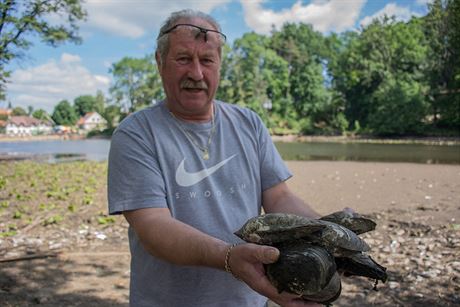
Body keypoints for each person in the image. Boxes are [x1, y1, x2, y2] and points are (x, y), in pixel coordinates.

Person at [108, 9, 322, 307]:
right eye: (183, 59)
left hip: (248, 300)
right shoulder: (136, 134)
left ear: (219, 65)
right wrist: (228, 257)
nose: (196, 73)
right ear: (160, 62)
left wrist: (324, 233)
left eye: (207, 60)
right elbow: (153, 227)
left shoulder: (248, 122)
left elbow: (279, 196)